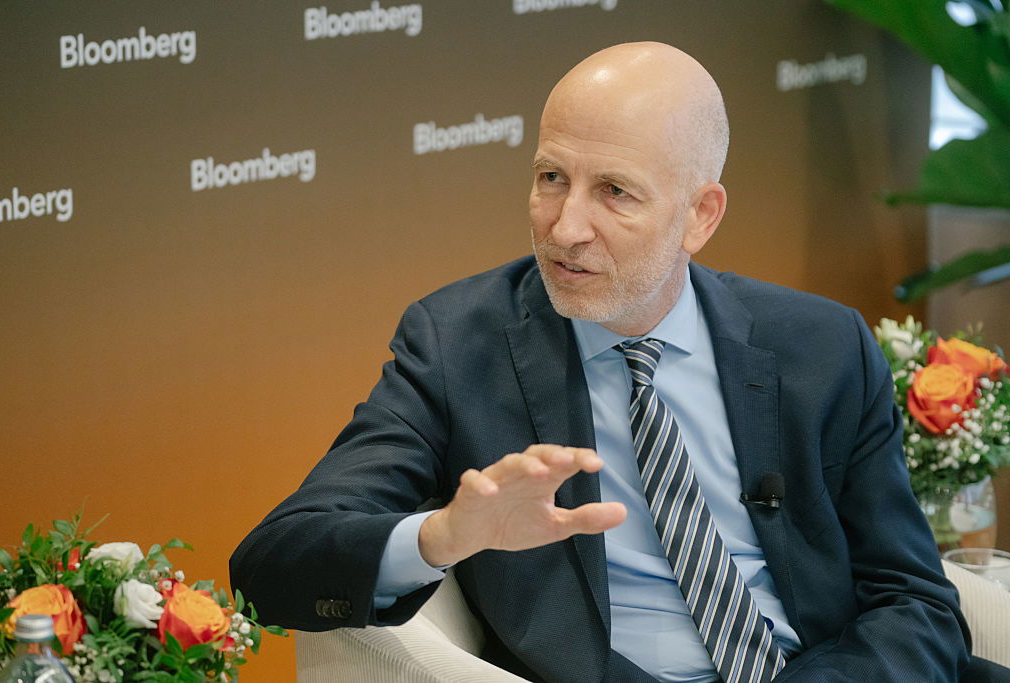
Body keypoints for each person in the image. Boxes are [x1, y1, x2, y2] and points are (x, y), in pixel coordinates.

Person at [231, 42, 984, 682]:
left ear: (700, 215)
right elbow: (269, 567)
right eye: (551, 178)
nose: (565, 227)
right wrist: (441, 536)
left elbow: (914, 598)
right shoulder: (457, 344)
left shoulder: (821, 343)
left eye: (615, 192)